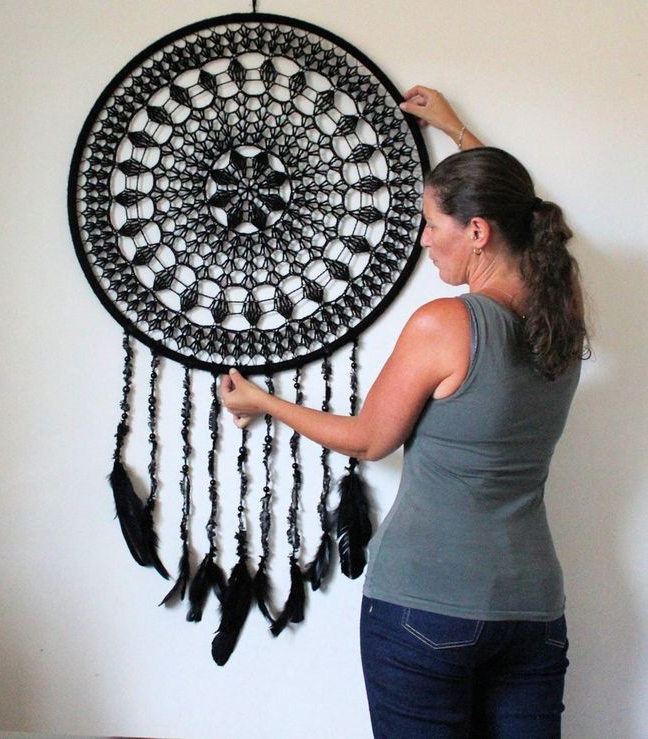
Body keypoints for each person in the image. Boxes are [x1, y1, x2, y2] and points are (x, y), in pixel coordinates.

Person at [220, 85, 589, 738]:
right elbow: (511, 210)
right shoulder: (558, 316)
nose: (423, 240)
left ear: (475, 232)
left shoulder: (446, 323)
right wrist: (455, 129)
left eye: (431, 224)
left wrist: (262, 399)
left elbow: (368, 440)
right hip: (532, 608)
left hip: (426, 608)